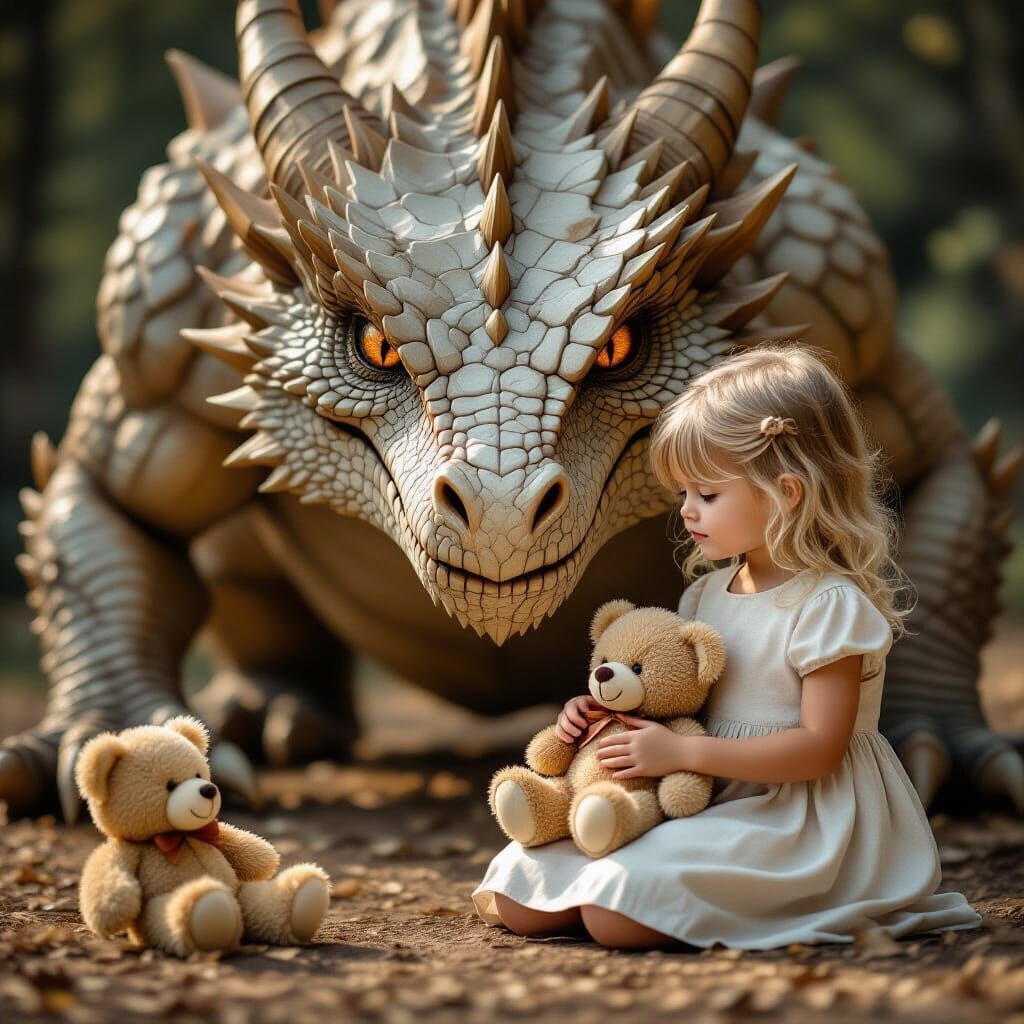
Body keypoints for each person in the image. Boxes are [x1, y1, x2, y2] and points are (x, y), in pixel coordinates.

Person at [472, 345, 982, 950]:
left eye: (707, 494)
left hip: (798, 819)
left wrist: (684, 756)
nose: (687, 510)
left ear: (787, 492)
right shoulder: (704, 598)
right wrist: (603, 723)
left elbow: (819, 750)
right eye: (683, 492)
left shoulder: (828, 606)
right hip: (702, 796)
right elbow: (678, 708)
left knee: (615, 915)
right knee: (518, 893)